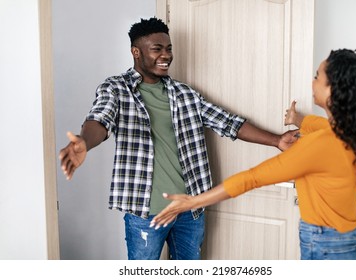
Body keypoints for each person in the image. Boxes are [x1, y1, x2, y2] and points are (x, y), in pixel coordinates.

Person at [58, 17, 298, 260]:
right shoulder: (116, 89)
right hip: (145, 213)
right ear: (136, 52)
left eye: (169, 48)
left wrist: (277, 140)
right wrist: (84, 142)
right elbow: (100, 120)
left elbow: (228, 123)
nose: (166, 55)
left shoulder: (185, 94)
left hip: (189, 210)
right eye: (157, 49)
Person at [150, 49, 356, 260]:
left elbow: (253, 177)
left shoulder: (321, 144)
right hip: (350, 242)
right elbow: (316, 123)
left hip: (325, 247)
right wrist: (296, 119)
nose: (312, 81)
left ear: (333, 91)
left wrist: (193, 201)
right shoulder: (353, 133)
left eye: (318, 76)